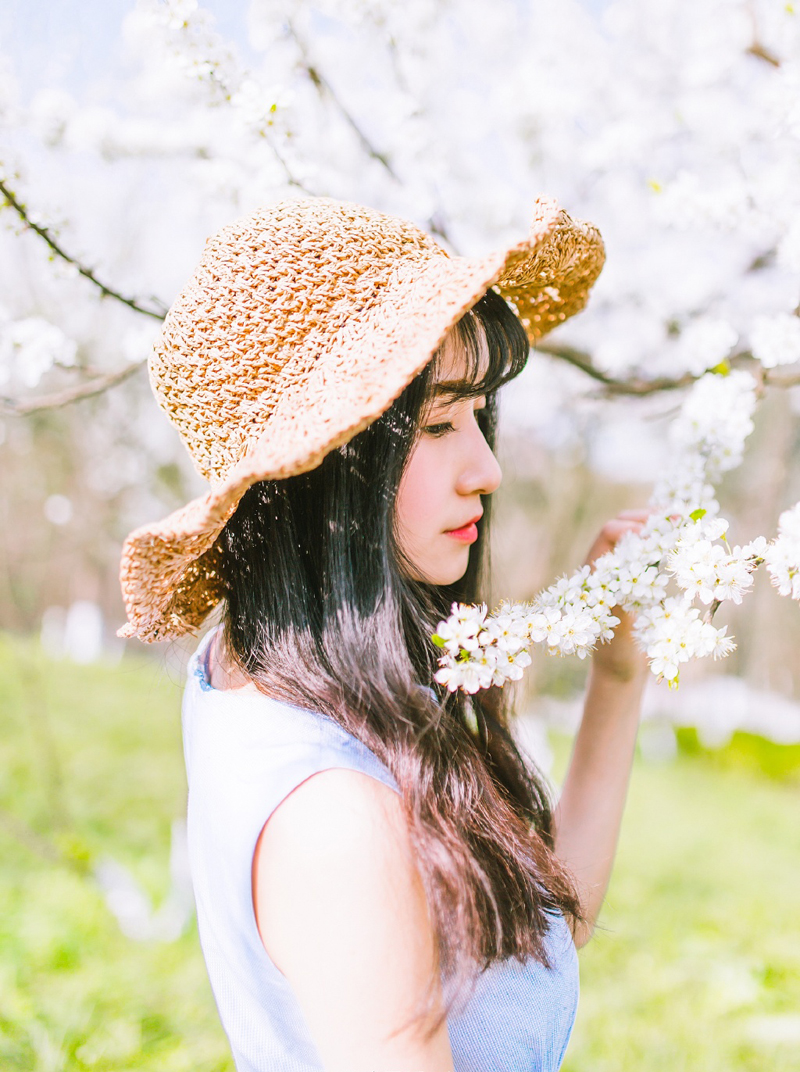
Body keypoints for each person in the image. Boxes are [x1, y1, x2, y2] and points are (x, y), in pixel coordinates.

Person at [118, 196, 649, 1072]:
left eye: (480, 416)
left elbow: (539, 928)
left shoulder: (274, 668)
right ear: (323, 466)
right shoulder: (335, 815)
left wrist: (618, 678)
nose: (487, 468)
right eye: (439, 425)